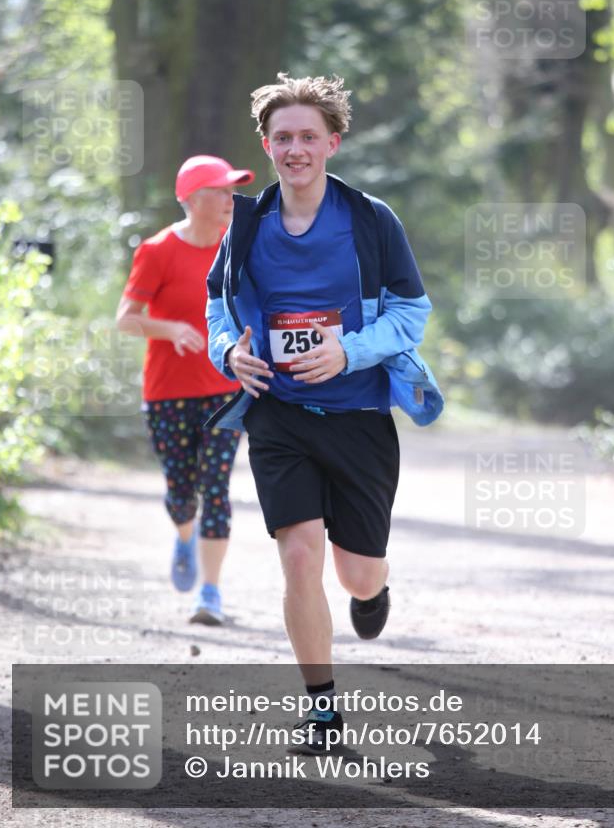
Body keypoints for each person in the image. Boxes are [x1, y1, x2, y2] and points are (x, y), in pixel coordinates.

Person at [205, 74, 443, 750]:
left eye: (308, 136)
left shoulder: (369, 219)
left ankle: (373, 590)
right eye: (282, 137)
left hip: (359, 412)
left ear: (332, 142)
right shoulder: (246, 222)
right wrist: (229, 352)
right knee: (300, 557)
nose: (295, 148)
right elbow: (217, 303)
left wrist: (349, 351)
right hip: (277, 413)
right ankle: (322, 712)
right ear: (266, 145)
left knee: (354, 570)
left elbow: (411, 310)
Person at [116, 155, 255, 625]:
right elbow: (126, 319)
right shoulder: (157, 251)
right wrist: (170, 328)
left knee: (215, 488)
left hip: (224, 389)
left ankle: (210, 593)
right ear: (193, 200)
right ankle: (183, 537)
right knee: (181, 492)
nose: (229, 200)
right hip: (166, 393)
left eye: (232, 190)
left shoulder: (238, 248)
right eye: (221, 191)